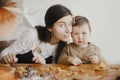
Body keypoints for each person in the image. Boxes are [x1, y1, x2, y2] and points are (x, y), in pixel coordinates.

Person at [0, 4, 73, 64]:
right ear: (50, 27)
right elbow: (5, 52)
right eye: (62, 25)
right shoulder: (32, 35)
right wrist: (5, 58)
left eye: (70, 24)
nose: (68, 30)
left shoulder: (66, 42)